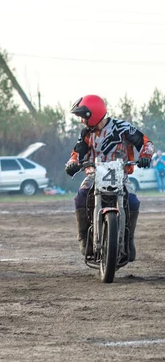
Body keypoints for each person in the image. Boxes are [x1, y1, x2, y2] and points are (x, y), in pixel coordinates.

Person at [65, 95, 154, 262]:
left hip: (121, 174)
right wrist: (72, 163)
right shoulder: (85, 133)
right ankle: (84, 239)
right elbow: (77, 153)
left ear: (94, 113)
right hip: (94, 174)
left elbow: (146, 143)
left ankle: (129, 241)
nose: (82, 121)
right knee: (81, 197)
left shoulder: (123, 128)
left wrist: (145, 156)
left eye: (84, 116)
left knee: (133, 201)